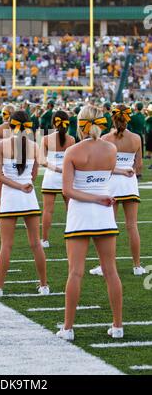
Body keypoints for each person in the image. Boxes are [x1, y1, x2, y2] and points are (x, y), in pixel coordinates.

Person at [57, 105, 123, 341]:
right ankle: (118, 326)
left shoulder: (73, 151)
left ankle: (68, 329)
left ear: (80, 122)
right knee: (110, 271)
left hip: (81, 215)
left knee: (75, 272)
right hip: (104, 213)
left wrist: (94, 197)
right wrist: (99, 197)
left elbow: (67, 190)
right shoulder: (111, 149)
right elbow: (105, 178)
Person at [0, 110, 49, 298]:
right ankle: (44, 285)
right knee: (36, 244)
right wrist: (24, 185)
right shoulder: (35, 146)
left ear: (10, 125)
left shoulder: (2, 145)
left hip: (11, 197)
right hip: (29, 196)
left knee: (6, 245)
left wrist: (18, 186)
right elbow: (34, 174)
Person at [90, 105, 145, 277]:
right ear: (128, 118)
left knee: (108, 227)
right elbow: (139, 166)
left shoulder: (105, 138)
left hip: (110, 185)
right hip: (129, 183)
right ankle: (137, 266)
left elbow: (102, 166)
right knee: (132, 226)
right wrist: (128, 171)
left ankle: (104, 266)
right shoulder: (136, 138)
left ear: (112, 119)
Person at [40, 111, 75, 248]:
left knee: (48, 210)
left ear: (53, 122)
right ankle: (72, 235)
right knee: (70, 209)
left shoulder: (46, 139)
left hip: (51, 177)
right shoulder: (71, 139)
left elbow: (42, 160)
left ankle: (45, 240)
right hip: (67, 177)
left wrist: (55, 168)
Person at [0, 105, 15, 229]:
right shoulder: (20, 128)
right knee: (23, 190)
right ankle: (28, 219)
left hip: (4, 163)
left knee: (2, 193)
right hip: (20, 163)